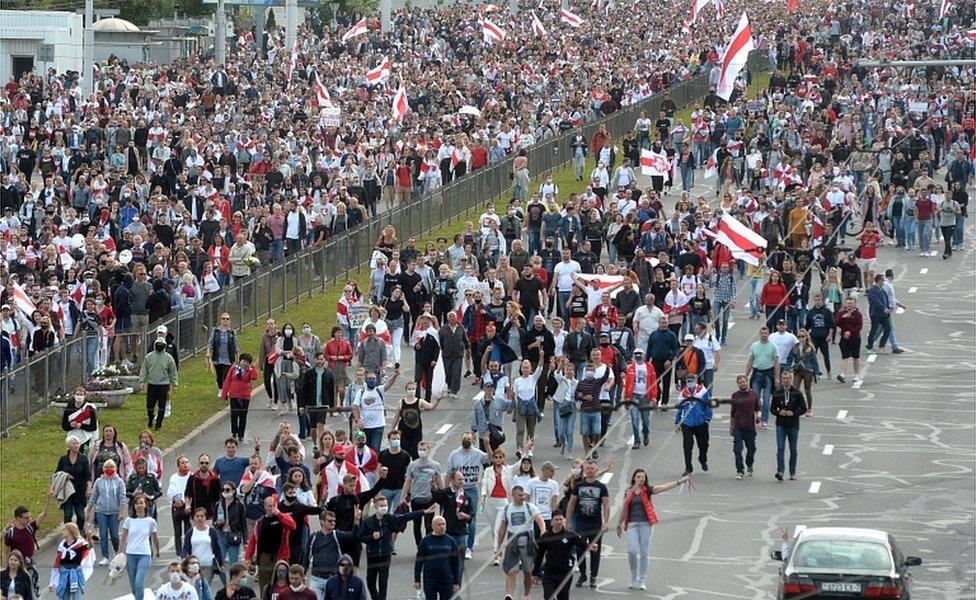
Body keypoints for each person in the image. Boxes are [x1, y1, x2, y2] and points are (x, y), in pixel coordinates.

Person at [615, 469, 691, 590]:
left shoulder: (648, 490)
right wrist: (619, 524)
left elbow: (664, 487)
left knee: (644, 553)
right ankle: (634, 576)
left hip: (646, 524)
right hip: (632, 524)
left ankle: (642, 579)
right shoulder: (629, 492)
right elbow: (624, 507)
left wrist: (680, 482)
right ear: (634, 478)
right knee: (632, 551)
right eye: (638, 477)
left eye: (643, 478)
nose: (641, 479)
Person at [357, 495, 429, 600]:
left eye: (385, 505)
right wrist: (371, 537)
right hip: (373, 555)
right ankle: (375, 597)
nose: (384, 507)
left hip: (385, 555)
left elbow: (406, 516)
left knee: (383, 581)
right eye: (381, 505)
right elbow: (360, 536)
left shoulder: (390, 519)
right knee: (370, 581)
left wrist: (423, 512)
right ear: (376, 506)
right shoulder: (368, 522)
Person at [494, 485, 546, 600]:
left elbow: (540, 520)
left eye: (523, 495)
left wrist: (543, 532)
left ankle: (526, 595)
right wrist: (499, 547)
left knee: (528, 571)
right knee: (511, 570)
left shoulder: (530, 507)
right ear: (513, 496)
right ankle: (509, 595)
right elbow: (502, 528)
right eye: (519, 495)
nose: (522, 497)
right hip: (512, 542)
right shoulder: (507, 509)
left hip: (527, 541)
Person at [564, 459, 610, 589]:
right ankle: (583, 575)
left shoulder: (601, 487)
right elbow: (571, 504)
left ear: (596, 470)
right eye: (588, 469)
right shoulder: (579, 486)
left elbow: (606, 505)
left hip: (595, 524)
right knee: (580, 549)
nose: (590, 471)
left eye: (592, 469)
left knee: (595, 550)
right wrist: (567, 521)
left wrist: (605, 522)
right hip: (580, 523)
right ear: (585, 470)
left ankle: (593, 576)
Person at [445, 432, 490, 558]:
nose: (466, 440)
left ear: (473, 441)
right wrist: (446, 490)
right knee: (455, 517)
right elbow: (448, 472)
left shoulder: (477, 453)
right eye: (464, 438)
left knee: (471, 519)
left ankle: (469, 548)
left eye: (469, 439)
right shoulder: (454, 454)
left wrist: (486, 445)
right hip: (457, 489)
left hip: (472, 489)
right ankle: (455, 545)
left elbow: (490, 459)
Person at [244, 496, 297, 592]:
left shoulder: (283, 517)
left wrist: (279, 514)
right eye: (269, 506)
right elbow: (253, 541)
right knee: (265, 587)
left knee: (282, 586)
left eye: (273, 506)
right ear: (264, 506)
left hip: (280, 557)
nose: (271, 508)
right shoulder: (260, 522)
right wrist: (248, 558)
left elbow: (292, 526)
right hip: (264, 558)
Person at [306, 511, 359, 599]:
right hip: (316, 578)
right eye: (330, 521)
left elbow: (353, 536)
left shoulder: (337, 535)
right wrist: (303, 572)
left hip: (333, 579)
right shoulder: (313, 537)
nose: (333, 523)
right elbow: (307, 555)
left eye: (334, 521)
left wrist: (356, 522)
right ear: (322, 521)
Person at [119, 493, 161, 600]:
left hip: (144, 555)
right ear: (134, 506)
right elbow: (123, 538)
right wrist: (120, 553)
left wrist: (157, 550)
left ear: (145, 505)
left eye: (141, 503)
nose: (139, 505)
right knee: (134, 586)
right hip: (131, 554)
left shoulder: (151, 521)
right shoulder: (129, 520)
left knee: (139, 582)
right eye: (136, 503)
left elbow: (155, 537)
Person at [400, 441, 442, 547]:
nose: (422, 452)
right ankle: (419, 545)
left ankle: (428, 545)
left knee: (429, 525)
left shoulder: (435, 465)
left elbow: (439, 481)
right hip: (416, 498)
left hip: (430, 498)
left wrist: (443, 495)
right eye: (420, 450)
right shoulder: (413, 465)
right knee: (417, 524)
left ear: (429, 450)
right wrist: (403, 496)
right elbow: (408, 481)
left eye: (424, 450)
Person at [86, 458, 126, 565]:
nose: (109, 469)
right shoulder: (99, 481)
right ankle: (105, 556)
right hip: (101, 511)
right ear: (103, 469)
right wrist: (88, 510)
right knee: (103, 534)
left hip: (114, 512)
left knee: (114, 535)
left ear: (115, 468)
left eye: (111, 467)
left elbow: (122, 497)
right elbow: (94, 497)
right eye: (107, 467)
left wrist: (121, 512)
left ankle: (117, 553)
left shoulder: (119, 481)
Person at [770, 371, 808, 481]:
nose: (785, 380)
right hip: (781, 424)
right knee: (780, 448)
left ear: (790, 379)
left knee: (793, 449)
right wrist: (779, 412)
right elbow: (772, 409)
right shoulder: (777, 393)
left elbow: (803, 408)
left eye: (787, 378)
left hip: (793, 424)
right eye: (783, 378)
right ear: (781, 379)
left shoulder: (797, 393)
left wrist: (794, 413)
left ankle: (792, 472)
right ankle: (780, 471)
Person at [414, 516, 461, 600]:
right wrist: (417, 579)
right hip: (430, 580)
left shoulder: (451, 541)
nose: (442, 527)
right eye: (439, 525)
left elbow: (456, 563)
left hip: (446, 580)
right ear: (432, 526)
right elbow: (419, 562)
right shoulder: (426, 541)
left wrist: (456, 582)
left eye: (443, 524)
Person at [674, 374, 712, 476]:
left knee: (704, 445)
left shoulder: (702, 392)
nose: (690, 383)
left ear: (696, 381)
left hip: (700, 423)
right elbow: (680, 408)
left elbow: (708, 406)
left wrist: (707, 419)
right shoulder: (683, 394)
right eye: (688, 381)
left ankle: (702, 459)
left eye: (692, 381)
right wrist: (677, 422)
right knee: (687, 446)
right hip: (687, 423)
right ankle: (688, 468)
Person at [139, 335, 179, 430]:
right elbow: (144, 370)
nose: (159, 346)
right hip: (152, 385)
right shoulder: (149, 357)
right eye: (158, 344)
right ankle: (151, 418)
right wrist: (142, 381)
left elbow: (173, 372)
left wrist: (174, 384)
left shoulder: (168, 358)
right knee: (150, 405)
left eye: (161, 345)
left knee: (162, 405)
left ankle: (159, 424)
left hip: (164, 385)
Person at [622, 348, 657, 449]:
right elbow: (628, 384)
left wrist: (654, 397)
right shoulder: (630, 368)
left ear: (644, 355)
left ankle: (645, 433)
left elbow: (654, 382)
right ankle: (637, 440)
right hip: (634, 396)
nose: (638, 356)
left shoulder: (649, 366)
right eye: (636, 354)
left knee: (645, 420)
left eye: (640, 354)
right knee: (634, 419)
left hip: (645, 396)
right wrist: (627, 399)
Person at [744, 326, 779, 428]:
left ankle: (764, 419)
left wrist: (777, 378)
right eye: (762, 333)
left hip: (768, 373)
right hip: (757, 373)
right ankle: (757, 417)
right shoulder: (754, 346)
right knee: (755, 398)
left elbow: (776, 362)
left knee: (767, 399)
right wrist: (746, 375)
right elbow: (751, 360)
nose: (764, 335)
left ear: (768, 334)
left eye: (766, 333)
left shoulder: (773, 346)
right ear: (759, 334)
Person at [55, 436, 91, 532]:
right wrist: (65, 476)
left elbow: (87, 474)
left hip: (80, 491)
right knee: (68, 514)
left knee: (80, 515)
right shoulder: (63, 459)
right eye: (73, 444)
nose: (76, 446)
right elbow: (56, 474)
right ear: (68, 446)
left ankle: (80, 531)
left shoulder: (83, 459)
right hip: (67, 491)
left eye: (77, 444)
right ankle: (67, 532)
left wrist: (89, 487)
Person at [181, 508, 224, 586]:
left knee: (205, 587)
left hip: (208, 564)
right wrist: (183, 557)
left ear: (205, 518)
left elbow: (218, 547)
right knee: (195, 587)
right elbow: (185, 547)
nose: (199, 518)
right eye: (197, 516)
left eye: (202, 516)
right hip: (194, 565)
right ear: (193, 518)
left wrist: (221, 563)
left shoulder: (211, 531)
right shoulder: (190, 532)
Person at [729, 374, 761, 479]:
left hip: (750, 426)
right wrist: (731, 427)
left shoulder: (753, 394)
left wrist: (758, 417)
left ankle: (749, 464)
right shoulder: (735, 395)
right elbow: (732, 412)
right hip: (738, 426)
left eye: (744, 381)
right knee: (737, 449)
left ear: (747, 382)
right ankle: (740, 470)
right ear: (738, 384)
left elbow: (758, 408)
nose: (742, 384)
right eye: (740, 382)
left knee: (751, 449)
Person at [48, 523, 91, 600]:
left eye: (64, 530)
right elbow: (57, 563)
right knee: (64, 596)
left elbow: (89, 548)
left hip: (76, 575)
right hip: (63, 574)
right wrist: (52, 581)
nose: (62, 531)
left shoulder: (81, 544)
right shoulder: (61, 546)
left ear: (70, 531)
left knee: (77, 597)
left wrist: (89, 539)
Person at [222, 354, 259, 442]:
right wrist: (225, 393)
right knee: (234, 414)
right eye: (243, 361)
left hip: (244, 396)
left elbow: (254, 377)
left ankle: (241, 434)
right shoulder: (234, 368)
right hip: (234, 395)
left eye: (247, 362)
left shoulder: (249, 370)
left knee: (243, 415)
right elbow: (228, 380)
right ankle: (234, 432)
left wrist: (253, 367)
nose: (244, 363)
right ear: (240, 361)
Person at [866, 274, 900, 353]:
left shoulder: (882, 290)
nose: (884, 282)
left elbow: (886, 300)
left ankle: (882, 345)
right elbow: (876, 301)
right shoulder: (872, 290)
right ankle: (870, 347)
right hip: (875, 314)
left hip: (884, 314)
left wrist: (888, 308)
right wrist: (883, 308)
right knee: (873, 330)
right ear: (878, 280)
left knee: (888, 329)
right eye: (882, 280)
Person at [214, 483, 247, 565]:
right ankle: (224, 577)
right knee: (219, 562)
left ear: (233, 491)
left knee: (233, 563)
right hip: (221, 535)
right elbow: (214, 521)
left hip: (234, 535)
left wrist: (245, 540)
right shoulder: (218, 504)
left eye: (227, 490)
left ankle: (233, 577)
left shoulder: (239, 505)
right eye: (223, 490)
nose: (225, 492)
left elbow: (243, 523)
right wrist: (217, 523)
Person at [207, 314, 239, 396]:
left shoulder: (231, 332)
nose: (225, 320)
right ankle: (220, 389)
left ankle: (226, 389)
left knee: (226, 374)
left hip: (228, 358)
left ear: (229, 321)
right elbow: (210, 343)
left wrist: (237, 359)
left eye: (227, 319)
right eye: (223, 318)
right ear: (220, 320)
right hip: (218, 357)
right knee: (219, 374)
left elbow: (235, 346)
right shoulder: (215, 331)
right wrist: (208, 353)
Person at [834, 296, 863, 384]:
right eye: (848, 303)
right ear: (845, 304)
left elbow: (859, 326)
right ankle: (842, 374)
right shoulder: (841, 313)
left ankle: (856, 374)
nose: (850, 305)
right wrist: (843, 317)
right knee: (845, 356)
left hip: (855, 337)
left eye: (851, 303)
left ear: (854, 304)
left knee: (856, 356)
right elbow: (836, 323)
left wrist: (850, 332)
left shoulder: (858, 314)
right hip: (844, 338)